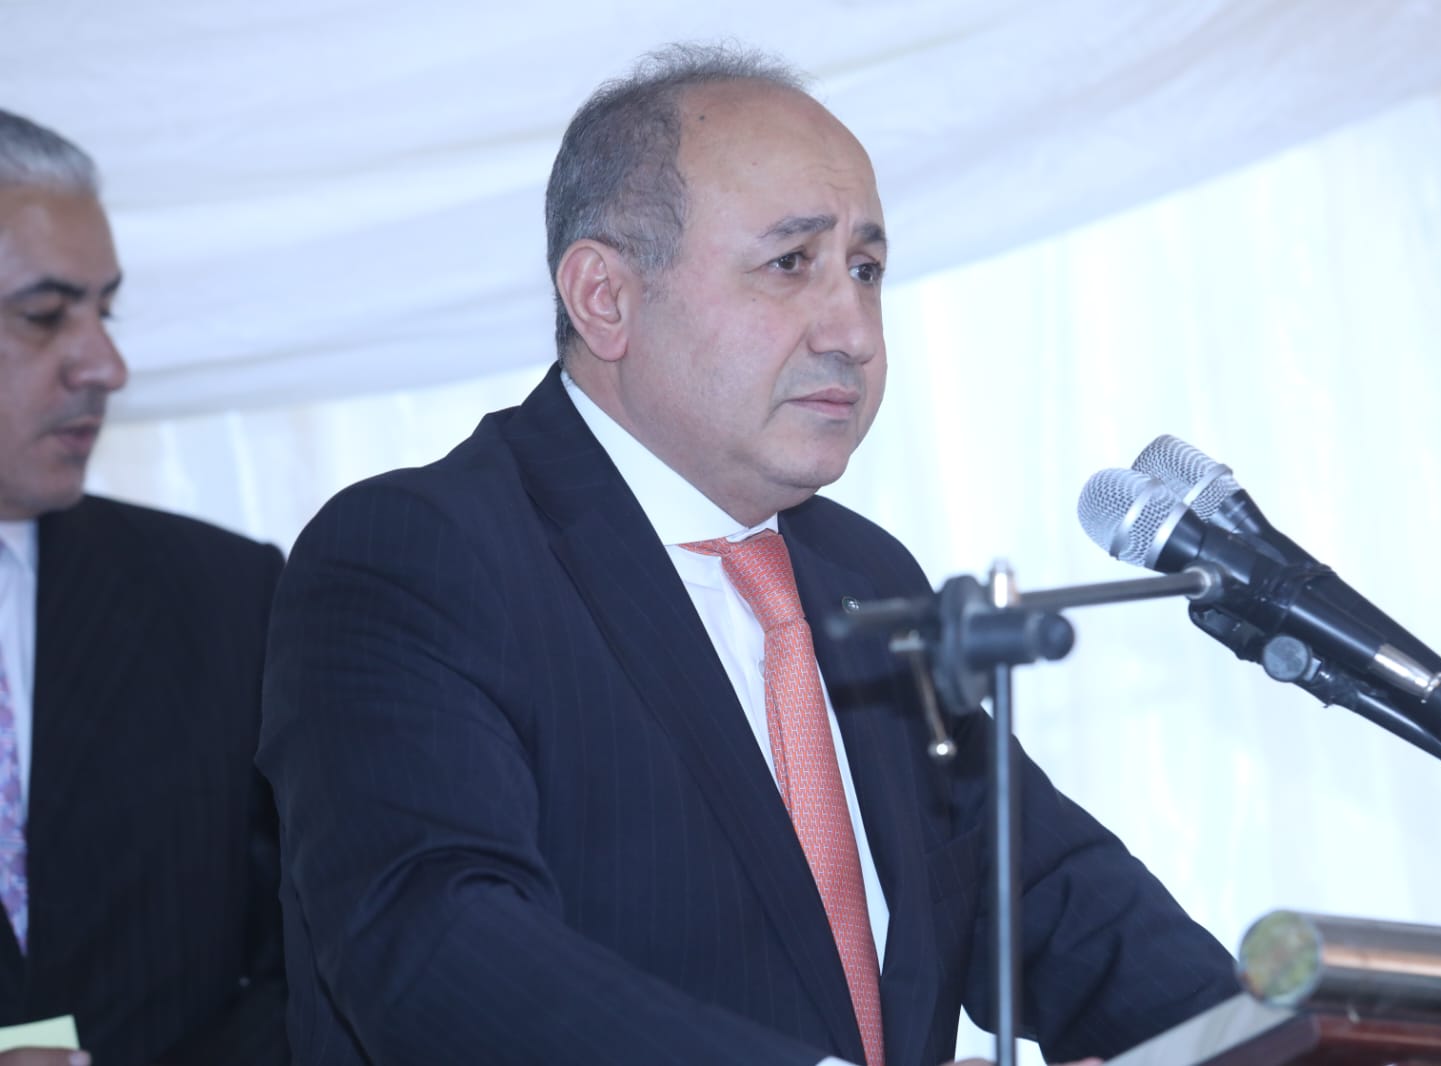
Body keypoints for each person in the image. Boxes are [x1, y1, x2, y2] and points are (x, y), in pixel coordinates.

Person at [258, 44, 1239, 1066]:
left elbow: (1050, 894)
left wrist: (1263, 1037)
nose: (855, 332)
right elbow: (443, 953)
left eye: (866, 270)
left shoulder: (865, 577)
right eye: (790, 264)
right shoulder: (419, 557)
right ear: (605, 297)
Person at [0, 111, 289, 1066]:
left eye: (105, 312)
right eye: (44, 314)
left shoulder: (226, 597)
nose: (106, 367)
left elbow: (321, 953)